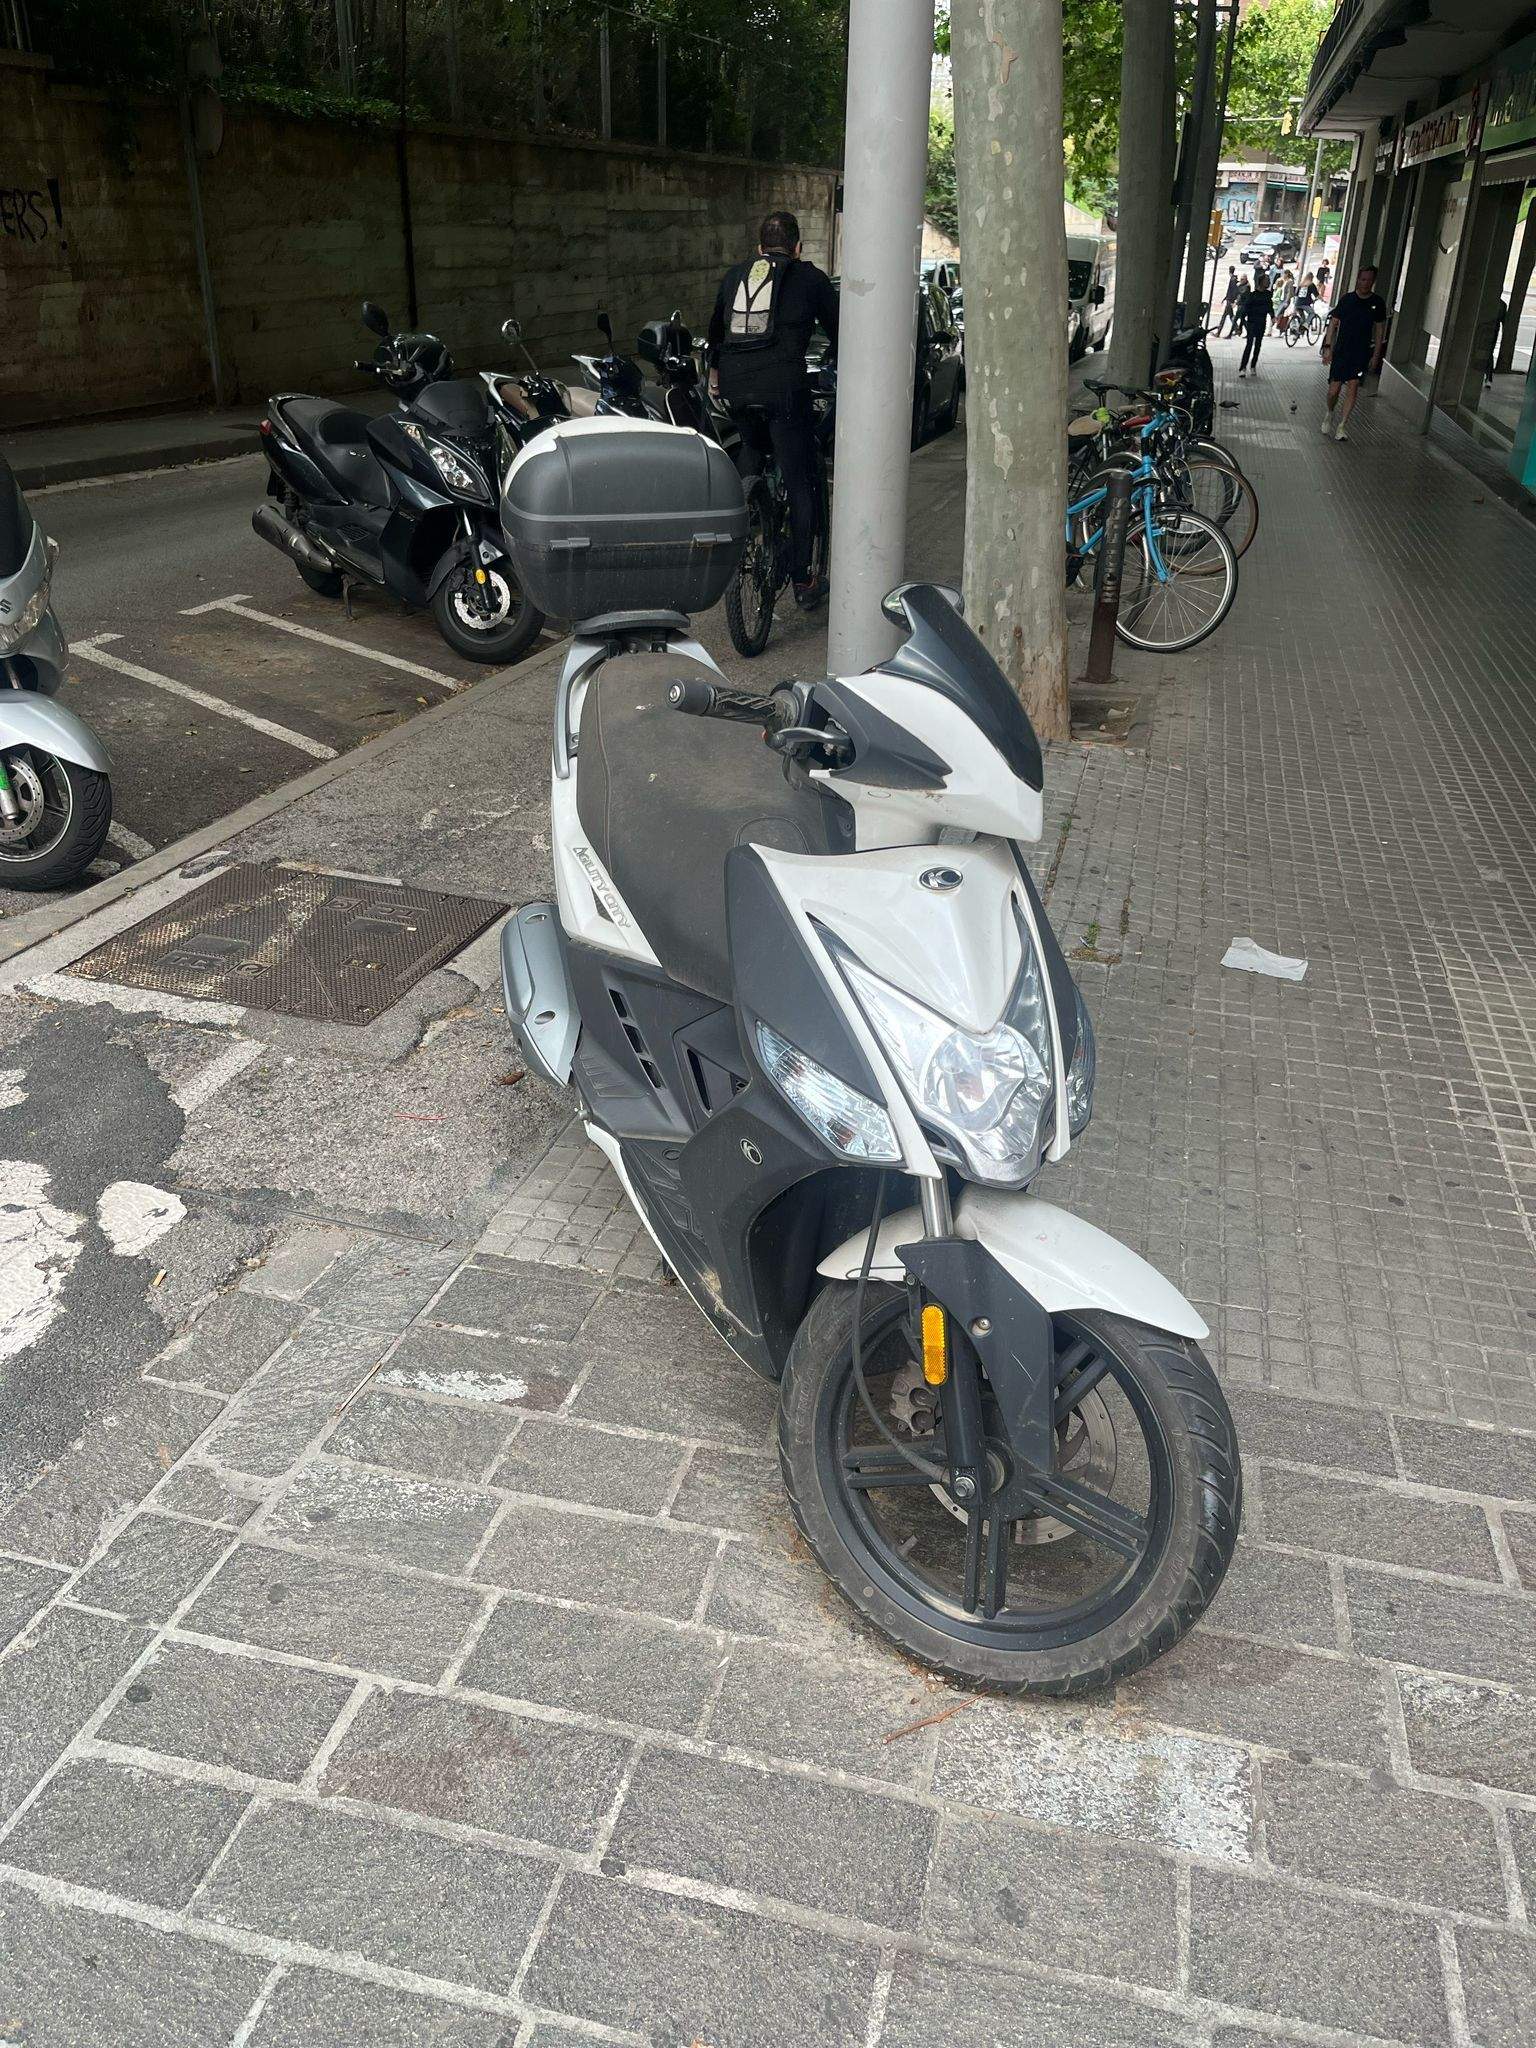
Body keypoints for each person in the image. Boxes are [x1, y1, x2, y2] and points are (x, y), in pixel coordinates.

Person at [707, 209, 838, 608]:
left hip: (735, 388)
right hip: (784, 388)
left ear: (759, 247)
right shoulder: (810, 278)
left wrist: (716, 376)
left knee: (752, 446)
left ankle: (743, 518)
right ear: (798, 248)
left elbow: (715, 332)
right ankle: (803, 579)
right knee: (800, 480)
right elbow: (841, 331)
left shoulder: (735, 276)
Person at [1319, 263, 1387, 440]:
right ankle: (1330, 411)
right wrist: (1328, 347)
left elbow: (1379, 331)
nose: (1365, 283)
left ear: (1373, 281)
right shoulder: (1347, 300)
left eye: (1369, 280)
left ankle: (1342, 425)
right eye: (1363, 279)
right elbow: (1333, 323)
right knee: (1333, 390)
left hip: (1361, 353)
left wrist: (1376, 355)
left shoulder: (1377, 303)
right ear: (1358, 279)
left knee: (1353, 386)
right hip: (1342, 351)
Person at [1238, 270, 1273, 377]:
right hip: (1252, 322)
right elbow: (1245, 310)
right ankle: (1243, 367)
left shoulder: (1268, 295)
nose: (1268, 282)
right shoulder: (1253, 295)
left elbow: (1270, 307)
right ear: (1261, 282)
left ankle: (1253, 365)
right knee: (1249, 345)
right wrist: (1240, 326)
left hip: (1262, 322)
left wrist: (1273, 316)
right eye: (1266, 281)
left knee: (1258, 345)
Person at [1215, 264, 1242, 339]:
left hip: (1229, 301)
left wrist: (1231, 300)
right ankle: (1237, 329)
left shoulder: (1232, 280)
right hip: (1229, 300)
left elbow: (1232, 291)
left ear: (1229, 271)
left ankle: (1218, 332)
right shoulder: (1234, 279)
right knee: (1231, 316)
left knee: (1224, 317)